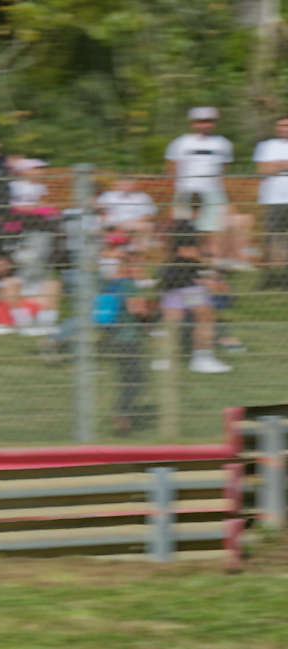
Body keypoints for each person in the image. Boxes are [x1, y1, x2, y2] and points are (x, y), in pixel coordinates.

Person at [166, 107, 235, 263]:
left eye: (208, 121)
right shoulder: (180, 142)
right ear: (193, 123)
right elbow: (171, 168)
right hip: (185, 192)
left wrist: (227, 197)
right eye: (200, 121)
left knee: (212, 230)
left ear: (214, 123)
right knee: (183, 229)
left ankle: (212, 265)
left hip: (213, 193)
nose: (204, 125)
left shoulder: (223, 144)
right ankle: (180, 264)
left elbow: (224, 172)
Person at [96, 253, 155, 434]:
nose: (141, 271)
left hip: (115, 339)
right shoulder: (129, 284)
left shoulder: (110, 285)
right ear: (129, 267)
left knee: (128, 379)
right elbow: (135, 309)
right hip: (129, 339)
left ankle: (122, 414)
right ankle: (121, 414)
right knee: (136, 380)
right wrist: (149, 311)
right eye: (138, 266)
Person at [157, 224, 229, 373]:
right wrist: (209, 262)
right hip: (183, 288)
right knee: (193, 318)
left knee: (198, 317)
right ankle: (192, 358)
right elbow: (189, 254)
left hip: (182, 286)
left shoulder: (184, 234)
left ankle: (200, 358)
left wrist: (209, 274)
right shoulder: (187, 234)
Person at [254, 116, 288, 289]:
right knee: (268, 240)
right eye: (281, 125)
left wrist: (277, 166)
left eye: (287, 125)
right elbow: (262, 170)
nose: (284, 128)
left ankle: (285, 280)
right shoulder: (266, 146)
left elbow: (271, 168)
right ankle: (267, 277)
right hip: (272, 200)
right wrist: (283, 165)